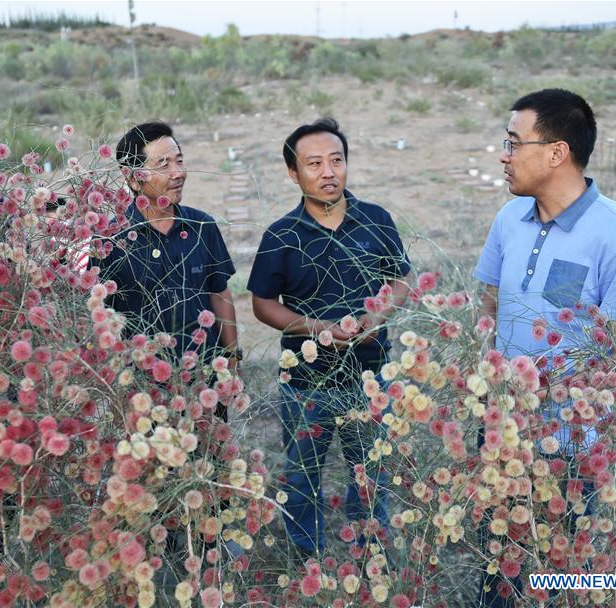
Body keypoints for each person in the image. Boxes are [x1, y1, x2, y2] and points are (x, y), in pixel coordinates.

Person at [474, 88, 616, 605]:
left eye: (513, 143)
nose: (503, 156)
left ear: (556, 152)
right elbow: (488, 307)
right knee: (499, 566)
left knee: (562, 574)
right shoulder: (510, 220)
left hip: (573, 449)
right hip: (501, 429)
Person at [247, 118, 412, 558]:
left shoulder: (375, 220)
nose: (328, 172)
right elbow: (262, 303)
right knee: (302, 478)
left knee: (370, 475)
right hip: (306, 383)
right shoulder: (281, 235)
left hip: (370, 378)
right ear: (293, 173)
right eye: (314, 163)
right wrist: (316, 329)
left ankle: (371, 559)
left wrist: (376, 316)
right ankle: (307, 563)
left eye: (336, 161)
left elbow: (401, 279)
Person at [102, 121, 240, 379]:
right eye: (163, 164)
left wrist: (232, 358)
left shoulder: (202, 226)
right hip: (144, 389)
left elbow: (220, 294)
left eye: (179, 161)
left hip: (206, 377)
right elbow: (103, 318)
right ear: (133, 178)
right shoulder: (111, 241)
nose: (178, 173)